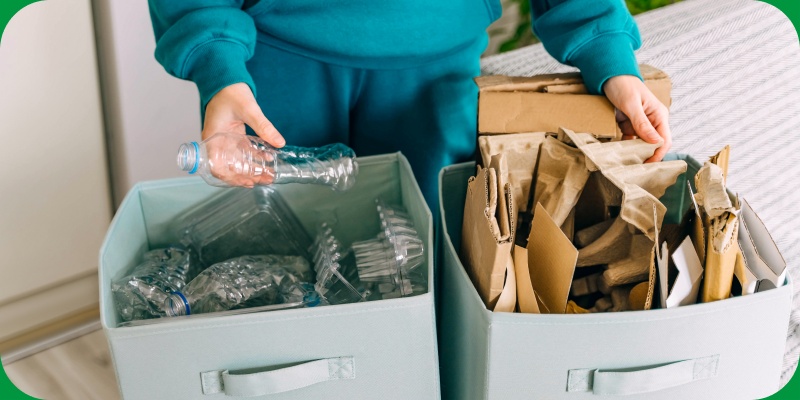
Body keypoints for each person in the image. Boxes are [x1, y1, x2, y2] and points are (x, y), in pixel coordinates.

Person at [149, 0, 671, 208]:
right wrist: (218, 67)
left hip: (437, 73)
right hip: (276, 65)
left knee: (433, 274)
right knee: (285, 277)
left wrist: (610, 58)